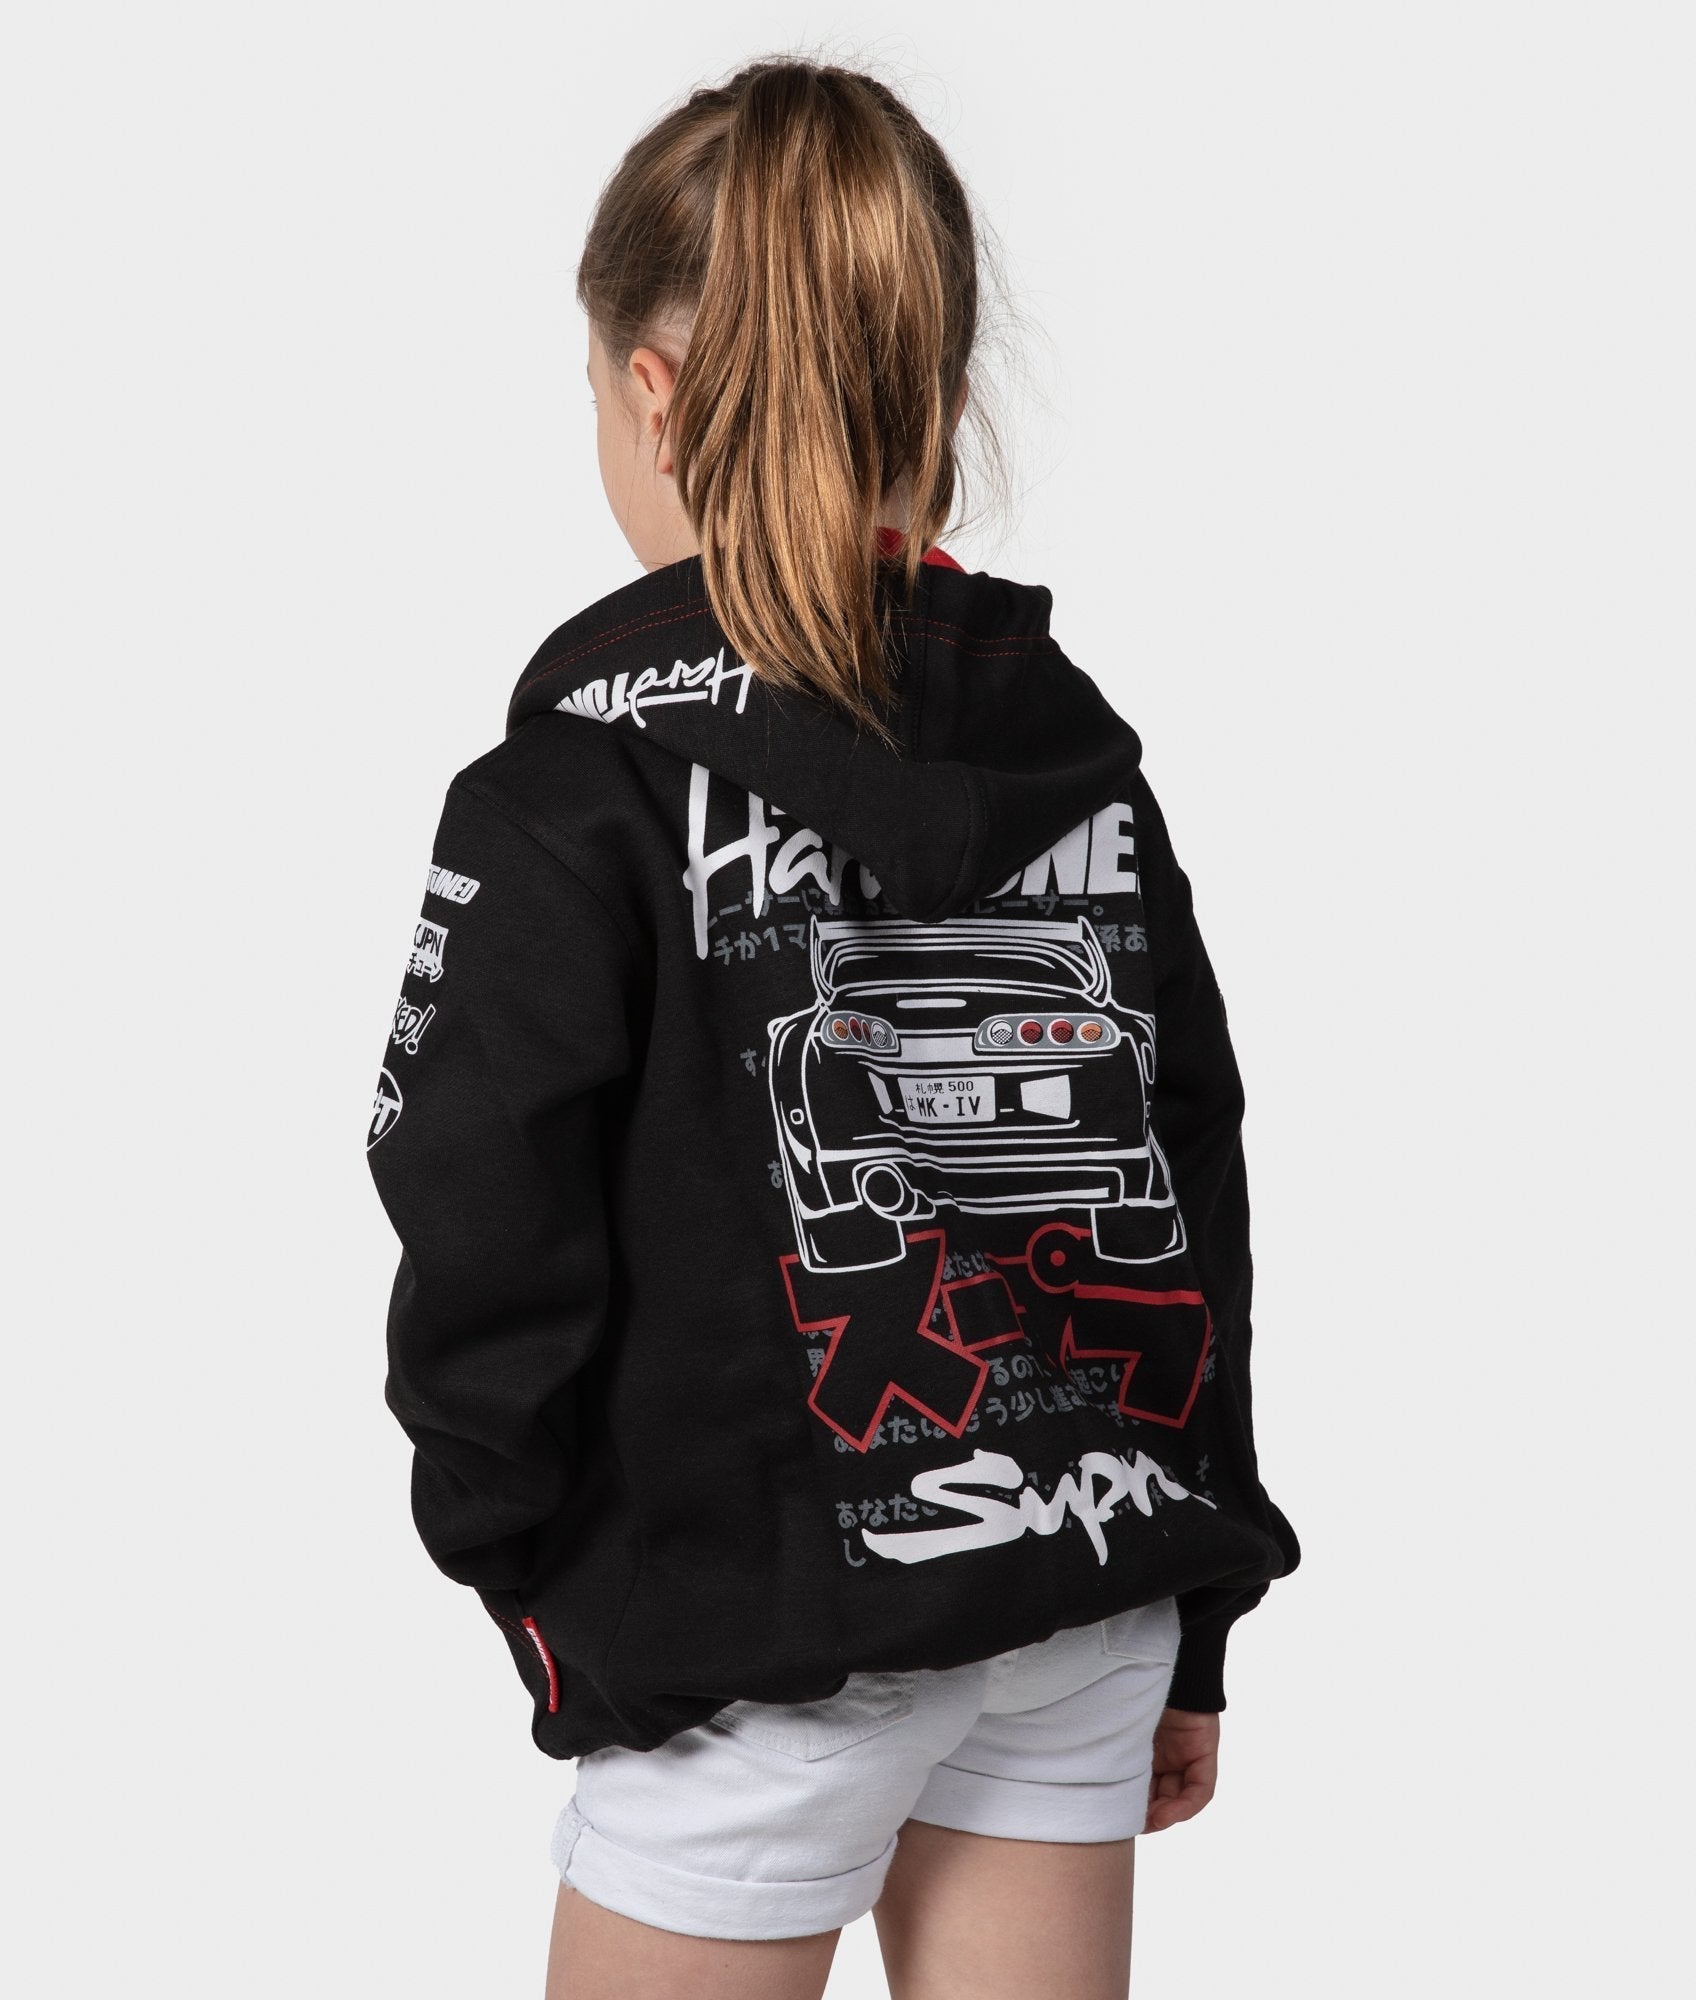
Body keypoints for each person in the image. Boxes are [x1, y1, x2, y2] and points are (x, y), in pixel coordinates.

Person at [367, 56, 1300, 2000]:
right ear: (931, 393)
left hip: (744, 1643)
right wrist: (1192, 1602)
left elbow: (480, 1226)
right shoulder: (1083, 770)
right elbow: (1185, 1190)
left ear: (651, 392)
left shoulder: (568, 802)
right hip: (1074, 1598)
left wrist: (542, 1589)